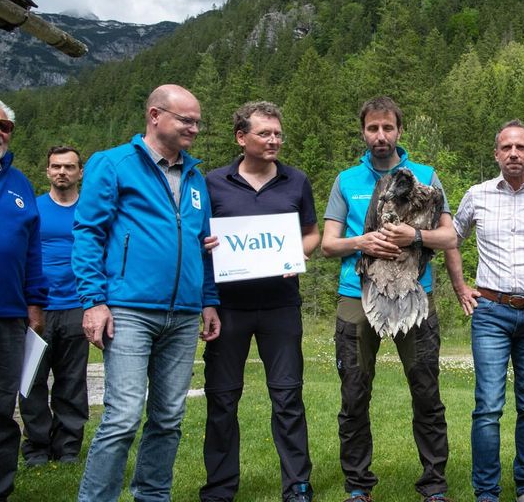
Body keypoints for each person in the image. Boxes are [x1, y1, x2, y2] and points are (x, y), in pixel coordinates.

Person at [74, 84, 221, 502]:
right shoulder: (114, 164)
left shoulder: (195, 177)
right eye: (185, 120)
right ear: (155, 116)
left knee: (169, 417)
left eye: (197, 121)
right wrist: (94, 301)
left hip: (183, 313)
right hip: (129, 310)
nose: (194, 128)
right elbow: (88, 233)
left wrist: (208, 300)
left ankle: (152, 496)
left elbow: (201, 241)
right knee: (122, 417)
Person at [321, 96, 457, 502]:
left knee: (426, 391)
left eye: (387, 128)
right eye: (372, 129)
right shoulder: (347, 180)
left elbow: (450, 237)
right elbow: (329, 245)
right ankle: (358, 486)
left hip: (415, 294)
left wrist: (413, 236)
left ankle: (433, 486)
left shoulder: (426, 176)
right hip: (356, 294)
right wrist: (363, 242)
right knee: (354, 392)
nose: (380, 136)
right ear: (363, 131)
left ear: (399, 131)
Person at [444, 120, 524, 502]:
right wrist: (459, 286)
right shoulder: (478, 194)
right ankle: (487, 492)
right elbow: (450, 236)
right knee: (488, 405)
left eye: (521, 148)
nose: (513, 154)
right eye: (506, 148)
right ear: (496, 154)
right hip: (491, 311)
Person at [200, 102, 319, 502]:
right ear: (241, 137)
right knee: (222, 398)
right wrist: (207, 251)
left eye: (278, 134)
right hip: (228, 307)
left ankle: (297, 486)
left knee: (287, 397)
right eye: (265, 133)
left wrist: (298, 254)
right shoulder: (212, 183)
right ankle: (219, 489)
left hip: (281, 306)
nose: (273, 141)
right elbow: (199, 242)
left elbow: (312, 234)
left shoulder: (296, 181)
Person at [20, 145, 88, 467]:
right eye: (56, 167)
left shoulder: (91, 210)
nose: (62, 172)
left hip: (77, 305)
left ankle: (69, 448)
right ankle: (36, 447)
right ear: (47, 171)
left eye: (69, 167)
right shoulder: (31, 208)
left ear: (80, 172)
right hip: (37, 308)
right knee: (32, 380)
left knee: (72, 381)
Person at [0, 99, 47, 502]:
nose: (0, 131)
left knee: (2, 407)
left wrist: (35, 303)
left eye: (5, 126)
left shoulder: (19, 184)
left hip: (10, 314)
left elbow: (32, 250)